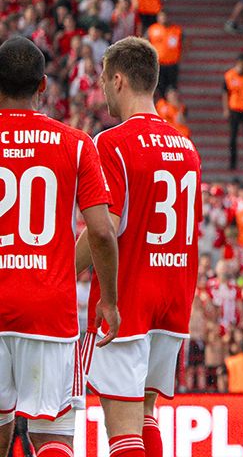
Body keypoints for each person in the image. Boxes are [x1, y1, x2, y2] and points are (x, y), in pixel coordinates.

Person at [76, 36, 201, 457]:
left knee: (123, 430)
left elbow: (103, 229)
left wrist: (59, 267)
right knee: (146, 416)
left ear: (118, 79)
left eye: (103, 80)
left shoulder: (111, 142)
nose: (102, 89)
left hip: (131, 292)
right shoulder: (186, 146)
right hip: (173, 292)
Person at [0, 36, 119, 457]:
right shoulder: (75, 143)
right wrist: (109, 300)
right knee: (54, 437)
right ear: (43, 86)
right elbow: (103, 232)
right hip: (48, 309)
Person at [222, 53, 243, 171]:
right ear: (239, 62)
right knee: (233, 137)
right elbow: (225, 93)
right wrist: (226, 108)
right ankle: (232, 163)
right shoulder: (229, 76)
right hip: (235, 109)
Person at [145, 11, 182, 95]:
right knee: (158, 88)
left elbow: (185, 43)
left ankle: (170, 106)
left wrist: (181, 56)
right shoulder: (152, 29)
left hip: (172, 64)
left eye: (165, 16)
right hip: (158, 64)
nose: (163, 19)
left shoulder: (176, 30)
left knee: (172, 88)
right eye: (161, 17)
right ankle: (160, 106)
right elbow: (144, 43)